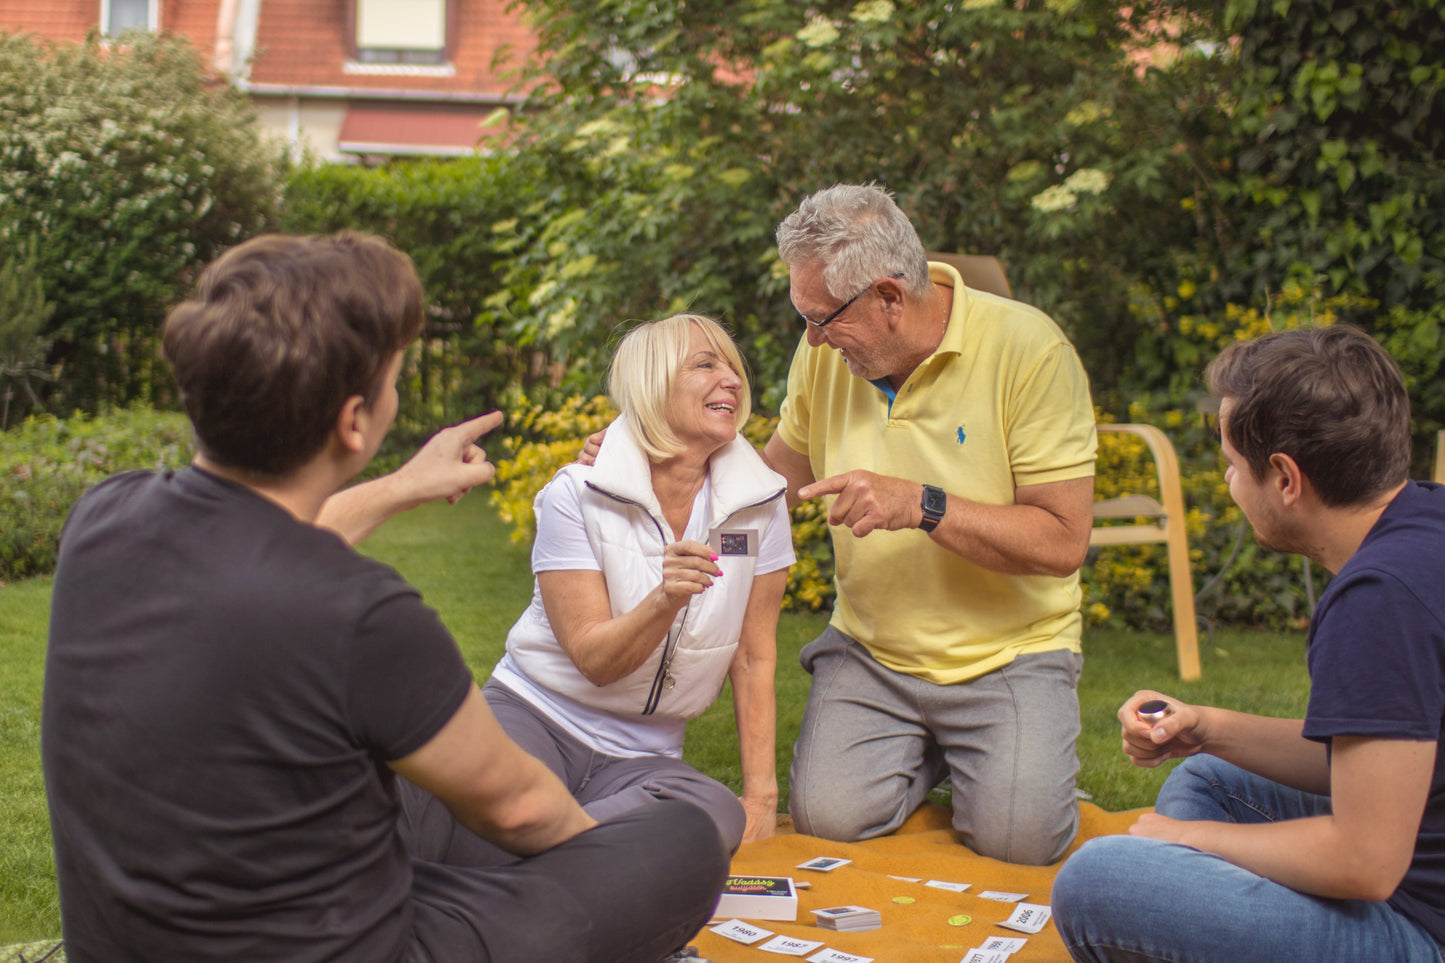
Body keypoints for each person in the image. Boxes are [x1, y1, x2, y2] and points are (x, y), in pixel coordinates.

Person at [41, 231, 729, 963]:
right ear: (352, 420)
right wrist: (609, 877)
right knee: (678, 839)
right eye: (394, 379)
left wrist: (403, 484)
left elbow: (249, 533)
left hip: (130, 945)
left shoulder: (104, 518)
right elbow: (520, 808)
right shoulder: (361, 615)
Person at [1053, 325, 1445, 962]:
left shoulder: (1380, 604)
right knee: (1209, 774)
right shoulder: (1425, 519)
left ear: (1285, 478)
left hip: (1420, 930)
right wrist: (1207, 726)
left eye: (1234, 467)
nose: (1231, 484)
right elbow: (1382, 763)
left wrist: (1190, 841)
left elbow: (1366, 861)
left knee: (1097, 880)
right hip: (1415, 870)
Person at [762, 183, 1097, 865]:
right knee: (826, 819)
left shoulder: (1029, 348)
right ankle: (946, 752)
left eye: (822, 318)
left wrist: (923, 504)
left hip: (1011, 653)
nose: (812, 339)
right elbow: (771, 484)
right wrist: (651, 458)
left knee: (1019, 842)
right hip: (871, 651)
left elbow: (1062, 540)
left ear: (889, 298)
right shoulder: (824, 357)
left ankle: (981, 748)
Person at [473, 313, 792, 854]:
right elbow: (594, 660)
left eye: (734, 368)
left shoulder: (761, 505)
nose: (733, 380)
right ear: (653, 383)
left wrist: (760, 797)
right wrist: (665, 599)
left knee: (713, 813)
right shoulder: (577, 492)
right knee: (481, 810)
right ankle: (575, 849)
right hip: (537, 715)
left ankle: (548, 843)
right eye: (705, 364)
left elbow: (754, 655)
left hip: (648, 758)